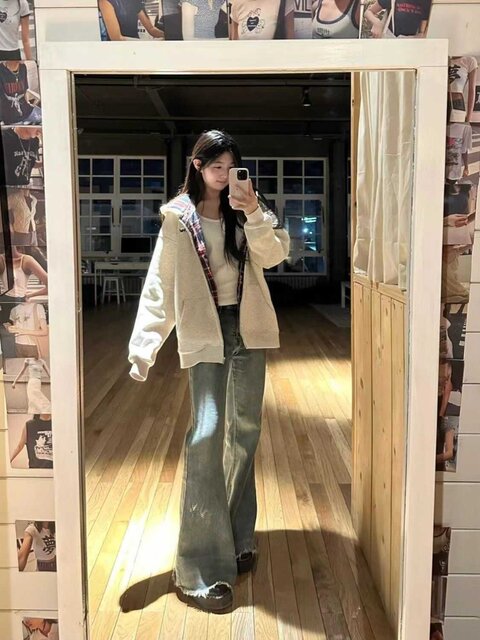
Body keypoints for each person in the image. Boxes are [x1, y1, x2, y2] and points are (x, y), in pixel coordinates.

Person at [128, 130, 289, 612]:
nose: (224, 175)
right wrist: (144, 344)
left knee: (246, 431)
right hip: (205, 330)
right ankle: (198, 567)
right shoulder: (179, 219)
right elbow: (160, 284)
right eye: (215, 166)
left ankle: (236, 537)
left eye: (230, 166)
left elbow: (275, 256)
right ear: (197, 166)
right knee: (207, 432)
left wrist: (253, 212)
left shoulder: (249, 210)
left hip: (248, 329)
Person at [0, 60, 41, 125]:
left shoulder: (23, 67)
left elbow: (25, 91)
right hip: (11, 118)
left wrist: (29, 102)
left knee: (49, 117)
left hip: (27, 111)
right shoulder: (1, 71)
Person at [98, 0, 164, 40]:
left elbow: (151, 29)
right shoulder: (105, 1)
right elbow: (116, 38)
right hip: (117, 50)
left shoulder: (134, 2)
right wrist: (143, 44)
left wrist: (167, 35)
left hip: (134, 47)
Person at [365, 0, 431, 38]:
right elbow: (368, 12)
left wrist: (422, 35)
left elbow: (423, 30)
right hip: (391, 43)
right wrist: (376, 22)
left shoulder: (426, 2)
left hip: (411, 47)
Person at [230, 0, 295, 39]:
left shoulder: (283, 2)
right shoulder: (236, 3)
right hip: (244, 56)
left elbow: (290, 42)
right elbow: (234, 43)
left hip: (273, 56)